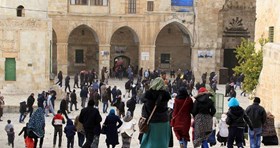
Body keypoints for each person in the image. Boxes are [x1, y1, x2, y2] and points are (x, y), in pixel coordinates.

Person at [140, 77, 171, 148]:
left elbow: (145, 112)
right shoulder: (165, 96)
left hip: (152, 123)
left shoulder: (149, 96)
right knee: (163, 143)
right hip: (164, 122)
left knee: (150, 143)